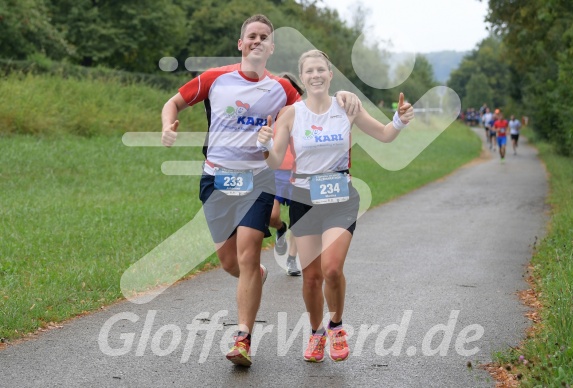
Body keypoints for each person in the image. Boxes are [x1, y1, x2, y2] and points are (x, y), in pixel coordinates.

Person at [160, 14, 361, 367]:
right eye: (251, 36)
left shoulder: (282, 88)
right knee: (229, 262)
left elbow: (317, 98)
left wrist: (343, 95)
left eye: (263, 37)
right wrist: (167, 126)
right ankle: (256, 277)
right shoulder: (214, 78)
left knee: (249, 254)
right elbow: (173, 102)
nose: (256, 41)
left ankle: (242, 338)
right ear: (241, 44)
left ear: (271, 46)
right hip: (217, 179)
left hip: (258, 180)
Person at [257, 50, 414, 362]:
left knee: (331, 268)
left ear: (329, 75)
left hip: (340, 197)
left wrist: (399, 120)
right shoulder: (291, 114)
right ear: (302, 78)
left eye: (321, 70)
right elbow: (275, 160)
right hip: (303, 199)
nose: (315, 75)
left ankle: (337, 325)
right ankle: (316, 333)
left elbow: (384, 135)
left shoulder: (346, 107)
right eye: (309, 71)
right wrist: (263, 145)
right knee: (311, 276)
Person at [270, 72, 302, 276]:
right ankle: (281, 228)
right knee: (271, 215)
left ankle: (291, 260)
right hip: (274, 172)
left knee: (299, 220)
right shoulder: (269, 114)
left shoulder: (303, 113)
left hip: (298, 173)